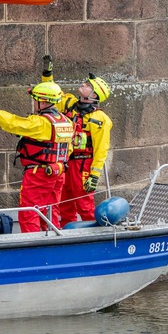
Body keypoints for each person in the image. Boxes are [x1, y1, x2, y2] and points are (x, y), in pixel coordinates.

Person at [0, 82, 74, 232]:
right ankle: (53, 239)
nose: (33, 103)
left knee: (29, 212)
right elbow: (68, 149)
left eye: (35, 99)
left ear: (44, 101)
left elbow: (11, 123)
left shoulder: (40, 122)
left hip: (39, 173)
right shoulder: (66, 122)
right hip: (58, 172)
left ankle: (32, 247)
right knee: (51, 209)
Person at [40, 55, 113, 227]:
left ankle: (93, 237)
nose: (83, 85)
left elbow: (101, 149)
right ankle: (67, 234)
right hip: (65, 161)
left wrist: (94, 175)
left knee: (84, 205)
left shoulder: (100, 119)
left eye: (88, 85)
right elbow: (51, 92)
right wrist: (47, 75)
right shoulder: (69, 103)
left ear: (94, 94)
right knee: (64, 204)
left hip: (83, 165)